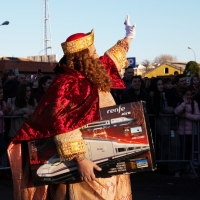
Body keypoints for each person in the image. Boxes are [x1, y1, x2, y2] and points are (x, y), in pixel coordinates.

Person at [8, 15, 136, 200]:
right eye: (92, 51)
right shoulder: (67, 84)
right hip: (86, 161)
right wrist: (80, 159)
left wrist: (128, 37)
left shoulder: (92, 72)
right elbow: (62, 123)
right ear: (82, 57)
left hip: (108, 152)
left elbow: (111, 59)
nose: (96, 54)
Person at [149, 78, 174, 173]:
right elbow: (164, 109)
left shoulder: (159, 95)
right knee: (164, 145)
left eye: (161, 84)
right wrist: (175, 109)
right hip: (161, 123)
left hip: (161, 123)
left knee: (162, 145)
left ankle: (160, 164)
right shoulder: (156, 96)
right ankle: (162, 165)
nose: (161, 86)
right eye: (159, 85)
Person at [174, 88, 200, 176]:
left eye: (190, 95)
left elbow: (197, 116)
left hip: (193, 132)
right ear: (184, 95)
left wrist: (186, 115)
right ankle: (182, 168)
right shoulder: (181, 103)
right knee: (183, 151)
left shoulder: (194, 104)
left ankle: (192, 167)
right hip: (183, 132)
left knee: (192, 150)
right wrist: (184, 103)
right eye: (187, 95)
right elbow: (176, 111)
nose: (188, 97)